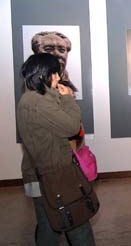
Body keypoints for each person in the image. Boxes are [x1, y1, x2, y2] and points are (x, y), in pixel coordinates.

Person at [16, 53, 95, 246]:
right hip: (54, 177)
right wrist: (69, 100)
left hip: (41, 177)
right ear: (44, 75)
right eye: (55, 73)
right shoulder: (38, 103)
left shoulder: (31, 99)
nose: (58, 78)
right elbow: (71, 128)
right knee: (77, 224)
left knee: (49, 227)